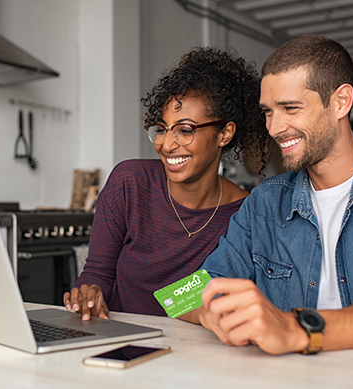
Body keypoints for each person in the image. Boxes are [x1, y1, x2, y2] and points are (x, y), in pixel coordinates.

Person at [182, 34, 353, 355]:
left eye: (290, 108)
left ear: (341, 101)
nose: (274, 127)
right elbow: (182, 297)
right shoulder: (263, 203)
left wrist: (294, 328)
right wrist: (215, 311)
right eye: (268, 111)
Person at [63, 47, 271, 320]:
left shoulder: (244, 215)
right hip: (114, 349)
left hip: (187, 357)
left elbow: (205, 299)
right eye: (162, 128)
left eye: (185, 130)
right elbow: (97, 273)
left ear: (225, 134)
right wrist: (89, 295)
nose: (167, 144)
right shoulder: (129, 183)